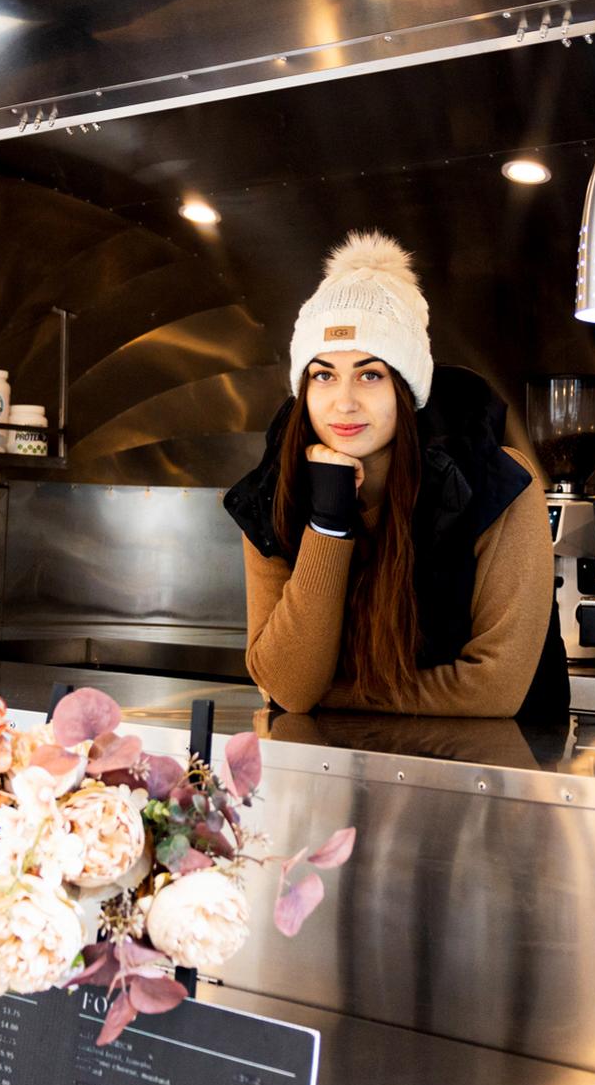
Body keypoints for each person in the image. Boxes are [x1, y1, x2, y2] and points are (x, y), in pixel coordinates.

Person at [224, 231, 566, 719]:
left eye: (370, 374)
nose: (344, 401)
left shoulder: (494, 482)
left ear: (406, 389)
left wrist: (332, 696)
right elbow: (290, 685)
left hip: (496, 771)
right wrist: (328, 519)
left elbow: (494, 687)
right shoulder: (272, 493)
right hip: (342, 772)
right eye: (323, 375)